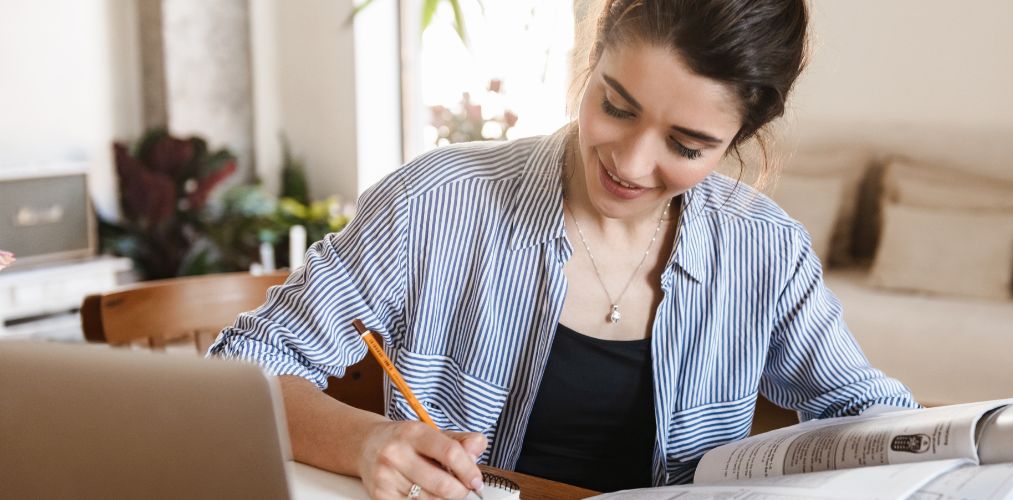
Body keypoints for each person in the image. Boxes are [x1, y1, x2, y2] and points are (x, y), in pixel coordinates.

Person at [209, 0, 918, 497]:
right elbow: (239, 375)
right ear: (595, 51)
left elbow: (865, 412)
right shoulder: (436, 204)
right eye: (616, 105)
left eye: (686, 145)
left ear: (739, 141)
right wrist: (368, 443)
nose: (632, 166)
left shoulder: (765, 251)